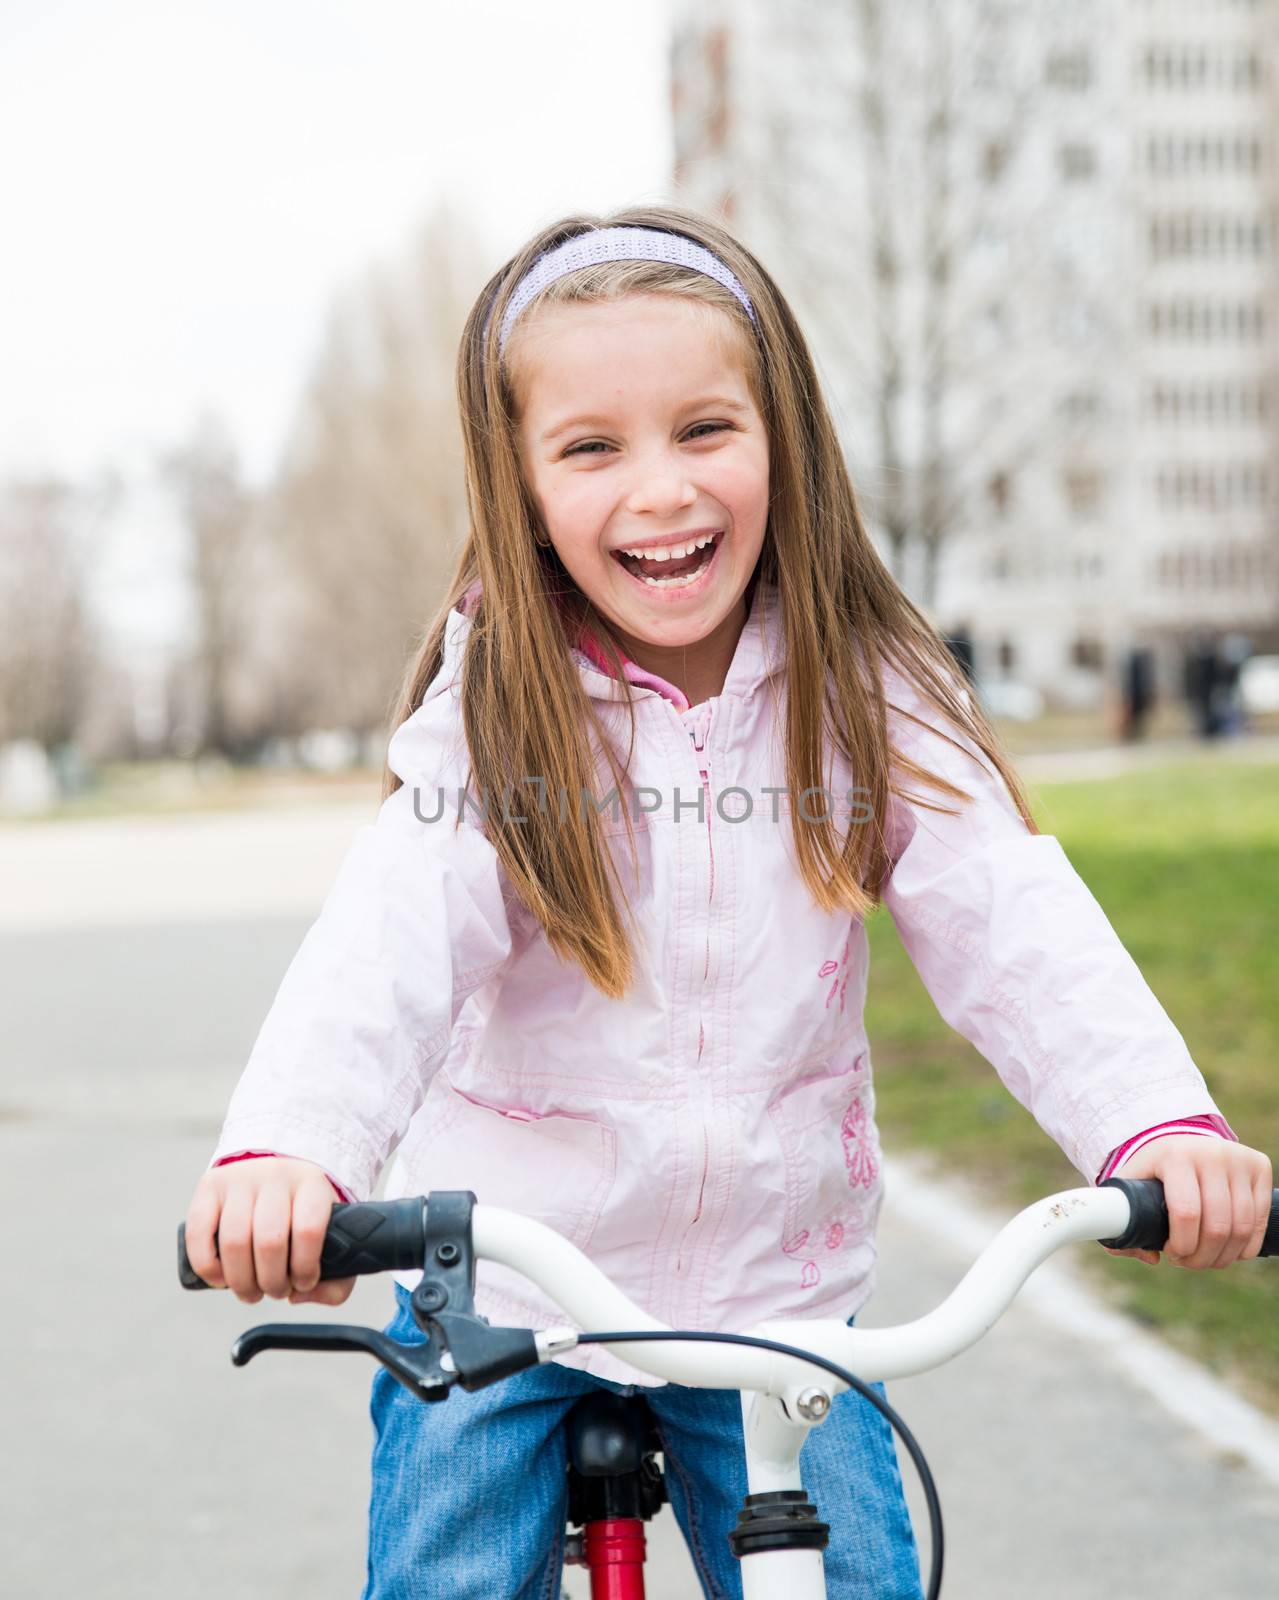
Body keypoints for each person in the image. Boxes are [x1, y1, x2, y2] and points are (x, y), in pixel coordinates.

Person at [184, 209, 1272, 1600]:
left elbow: (1013, 921)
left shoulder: (868, 694)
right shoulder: (501, 719)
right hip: (514, 1291)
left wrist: (1156, 1126)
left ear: (786, 442)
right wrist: (288, 1154)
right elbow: (380, 952)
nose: (662, 490)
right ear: (517, 485)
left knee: (856, 1580)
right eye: (591, 447)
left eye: (706, 430)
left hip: (773, 1297)